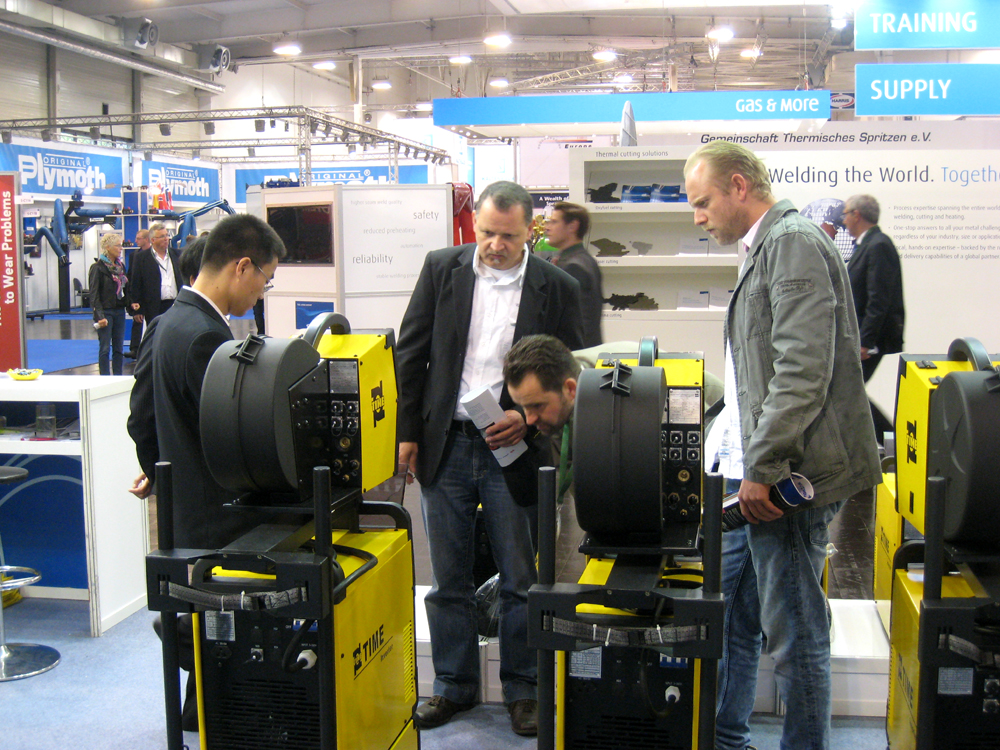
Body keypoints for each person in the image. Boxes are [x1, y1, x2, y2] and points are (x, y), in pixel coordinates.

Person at [683, 141, 881, 750]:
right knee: (735, 618)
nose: (698, 217)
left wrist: (764, 465)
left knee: (796, 634)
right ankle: (726, 738)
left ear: (739, 186)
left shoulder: (790, 242)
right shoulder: (765, 247)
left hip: (786, 475)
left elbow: (801, 369)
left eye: (703, 202)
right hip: (754, 470)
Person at [397, 181, 583, 737]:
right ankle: (453, 685)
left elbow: (569, 369)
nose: (495, 245)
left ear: (531, 232)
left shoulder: (558, 286)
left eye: (507, 236)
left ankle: (523, 690)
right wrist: (407, 434)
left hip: (516, 445)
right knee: (447, 576)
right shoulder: (442, 269)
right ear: (473, 225)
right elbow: (411, 352)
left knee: (520, 575)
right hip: (446, 442)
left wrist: (526, 418)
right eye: (486, 233)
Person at [127, 214, 283, 733]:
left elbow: (141, 417)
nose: (261, 293)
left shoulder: (168, 323)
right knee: (231, 630)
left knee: (213, 630)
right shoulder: (207, 339)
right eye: (265, 279)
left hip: (187, 511)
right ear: (243, 267)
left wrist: (163, 474)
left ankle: (201, 705)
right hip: (219, 519)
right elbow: (231, 440)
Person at [841, 195, 905, 383]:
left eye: (845, 215)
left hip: (869, 341)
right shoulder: (866, 245)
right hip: (860, 336)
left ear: (856, 215)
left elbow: (879, 299)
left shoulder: (879, 245)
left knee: (850, 392)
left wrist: (865, 342)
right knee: (850, 392)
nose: (843, 221)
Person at [545, 202, 603, 347]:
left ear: (572, 226)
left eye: (554, 222)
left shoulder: (573, 267)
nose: (547, 227)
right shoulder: (584, 260)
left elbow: (577, 324)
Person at [89, 233, 139, 375]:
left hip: (119, 311)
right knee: (105, 348)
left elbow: (125, 289)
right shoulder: (97, 268)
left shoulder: (121, 266)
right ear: (107, 247)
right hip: (105, 312)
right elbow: (94, 294)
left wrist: (131, 304)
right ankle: (105, 378)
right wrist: (99, 316)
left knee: (118, 349)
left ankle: (118, 377)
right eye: (117, 245)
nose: (120, 248)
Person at [129, 222, 184, 342]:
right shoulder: (142, 258)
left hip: (176, 304)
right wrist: (137, 308)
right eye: (162, 236)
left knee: (175, 338)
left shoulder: (177, 254)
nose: (166, 238)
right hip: (154, 306)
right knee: (156, 338)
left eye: (167, 235)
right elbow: (136, 283)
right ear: (153, 240)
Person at [125, 228, 152, 358]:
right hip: (139, 293)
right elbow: (131, 276)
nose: (136, 241)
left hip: (152, 294)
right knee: (137, 320)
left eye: (138, 238)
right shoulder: (134, 256)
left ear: (146, 239)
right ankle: (134, 349)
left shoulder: (154, 255)